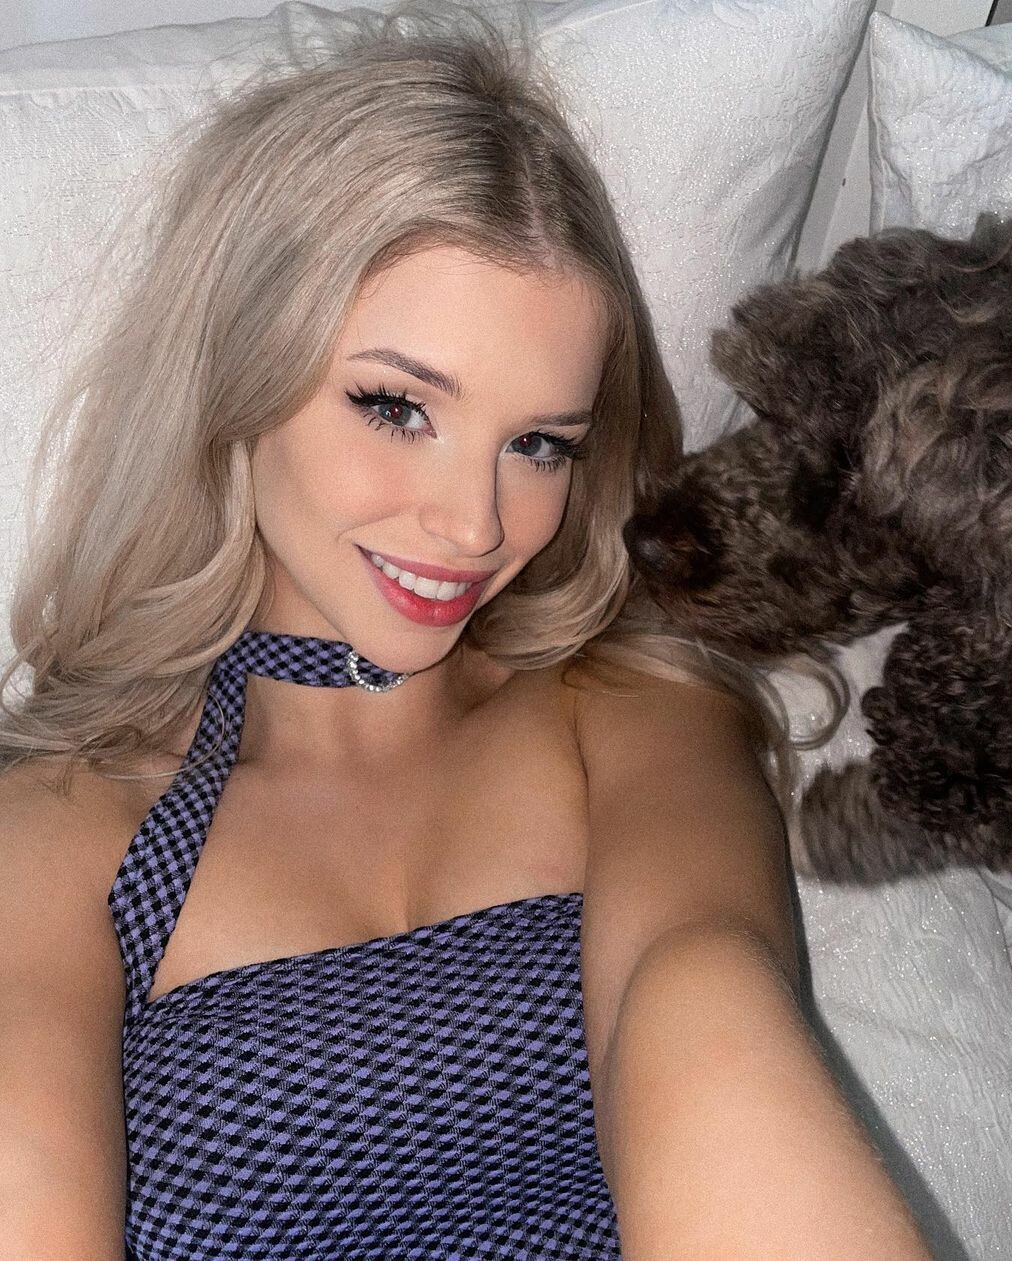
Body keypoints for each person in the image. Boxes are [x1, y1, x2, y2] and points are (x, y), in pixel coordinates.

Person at [0, 3, 936, 1257]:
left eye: (538, 443)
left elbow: (702, 990)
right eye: (397, 408)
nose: (474, 523)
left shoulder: (635, 709)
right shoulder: (62, 824)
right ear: (235, 374)